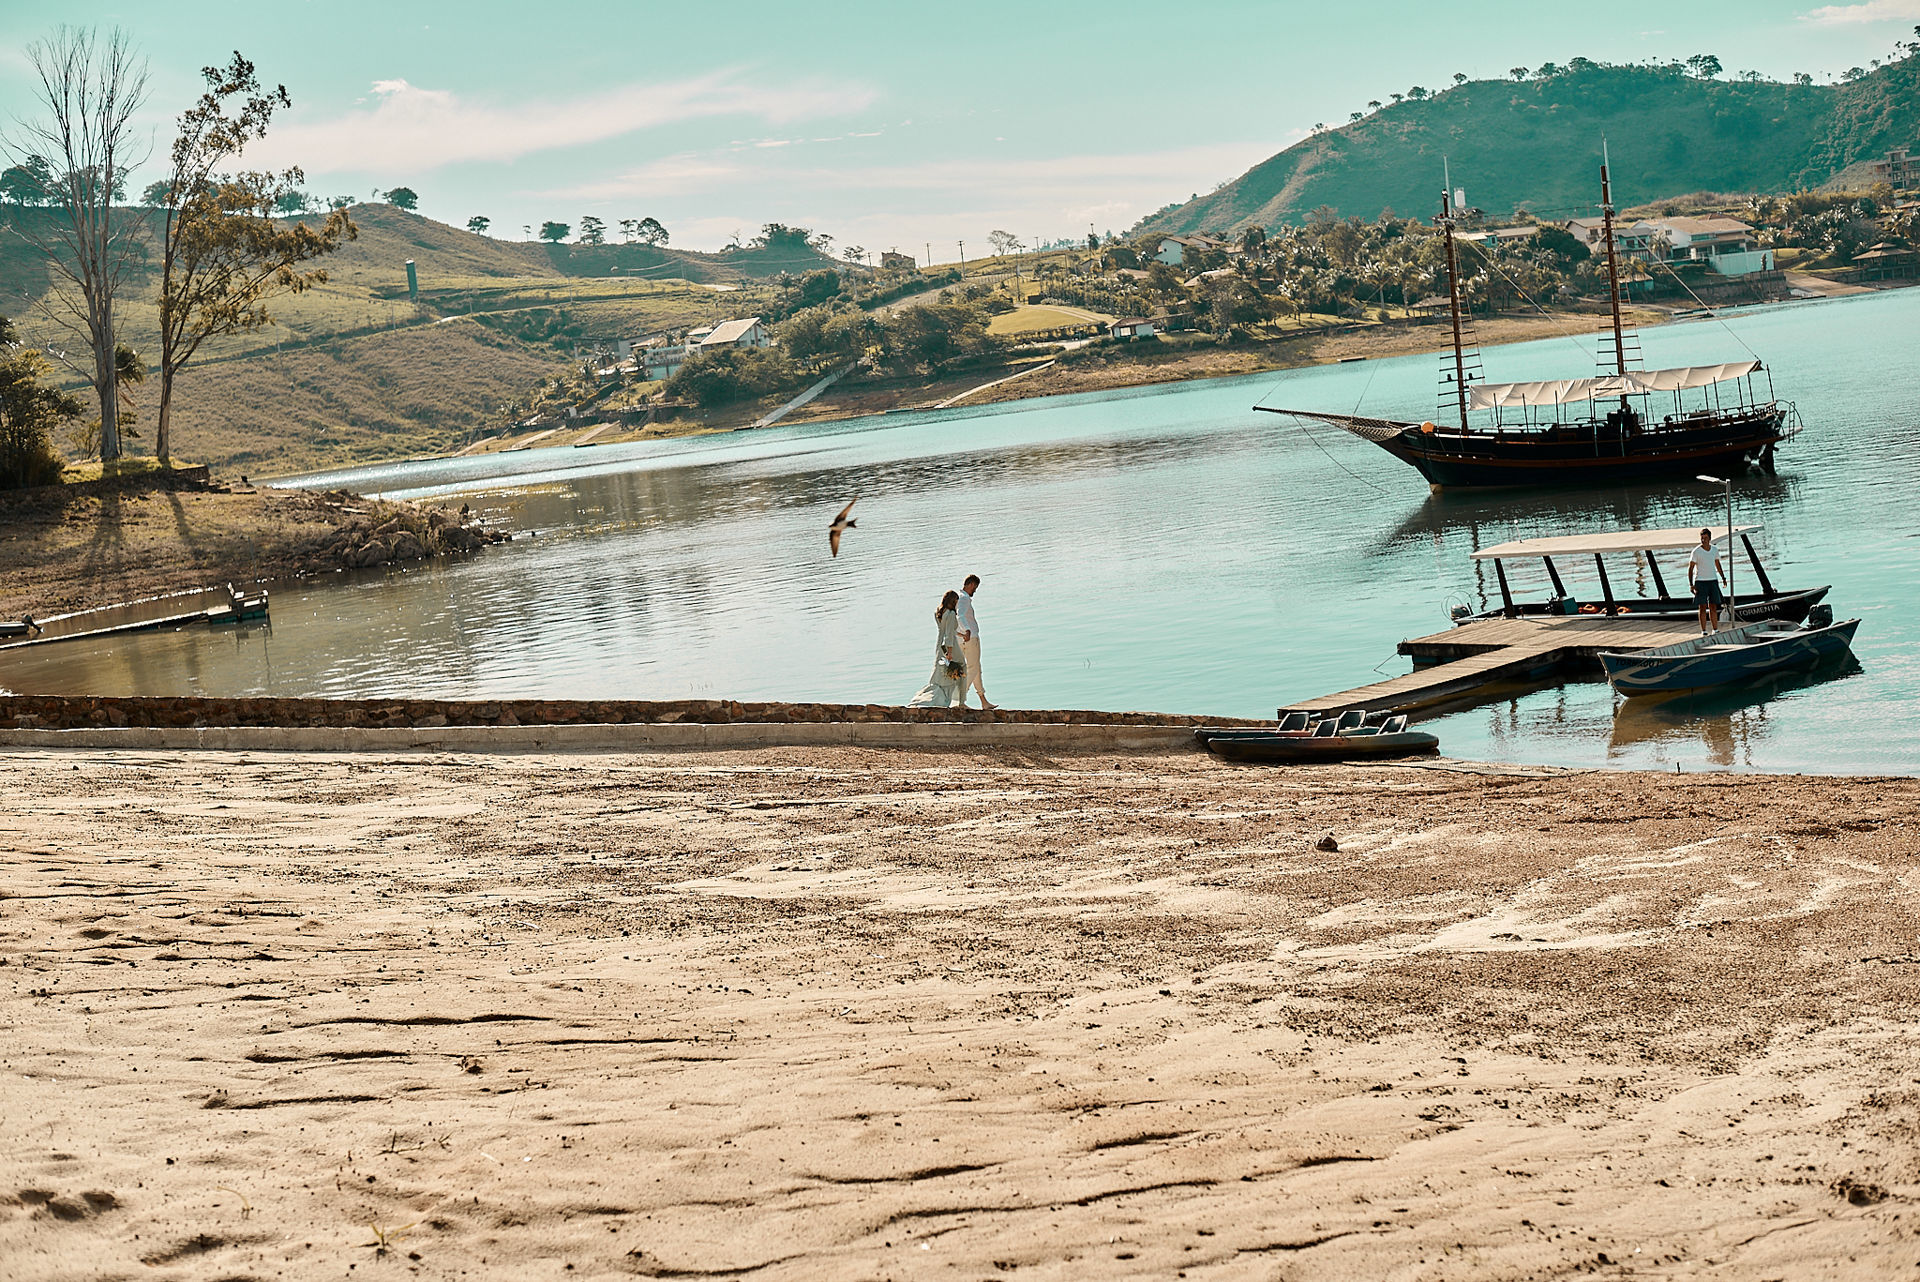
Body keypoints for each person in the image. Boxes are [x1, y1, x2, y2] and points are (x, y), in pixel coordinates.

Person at [907, 590, 967, 708]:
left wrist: (960, 635)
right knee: (962, 668)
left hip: (940, 645)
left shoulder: (938, 612)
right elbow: (949, 635)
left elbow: (946, 631)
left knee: (941, 673)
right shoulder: (950, 614)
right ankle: (960, 702)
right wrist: (949, 652)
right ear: (953, 601)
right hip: (950, 646)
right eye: (956, 601)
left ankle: (945, 698)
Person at [955, 573, 995, 711]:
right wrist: (967, 630)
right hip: (970, 638)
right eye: (975, 587)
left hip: (962, 639)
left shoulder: (958, 598)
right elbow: (960, 616)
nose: (975, 591)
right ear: (970, 584)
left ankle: (983, 701)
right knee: (973, 668)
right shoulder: (964, 598)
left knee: (976, 668)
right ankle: (959, 700)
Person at [1688, 527, 1726, 633]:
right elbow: (1690, 568)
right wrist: (1691, 584)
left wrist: (1723, 577)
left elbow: (1717, 564)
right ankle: (1704, 630)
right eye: (1702, 538)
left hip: (1713, 580)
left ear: (1709, 538)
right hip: (1700, 581)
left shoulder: (1714, 550)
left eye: (1705, 538)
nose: (1703, 540)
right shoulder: (1696, 552)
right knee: (1702, 607)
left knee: (1713, 606)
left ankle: (1715, 629)